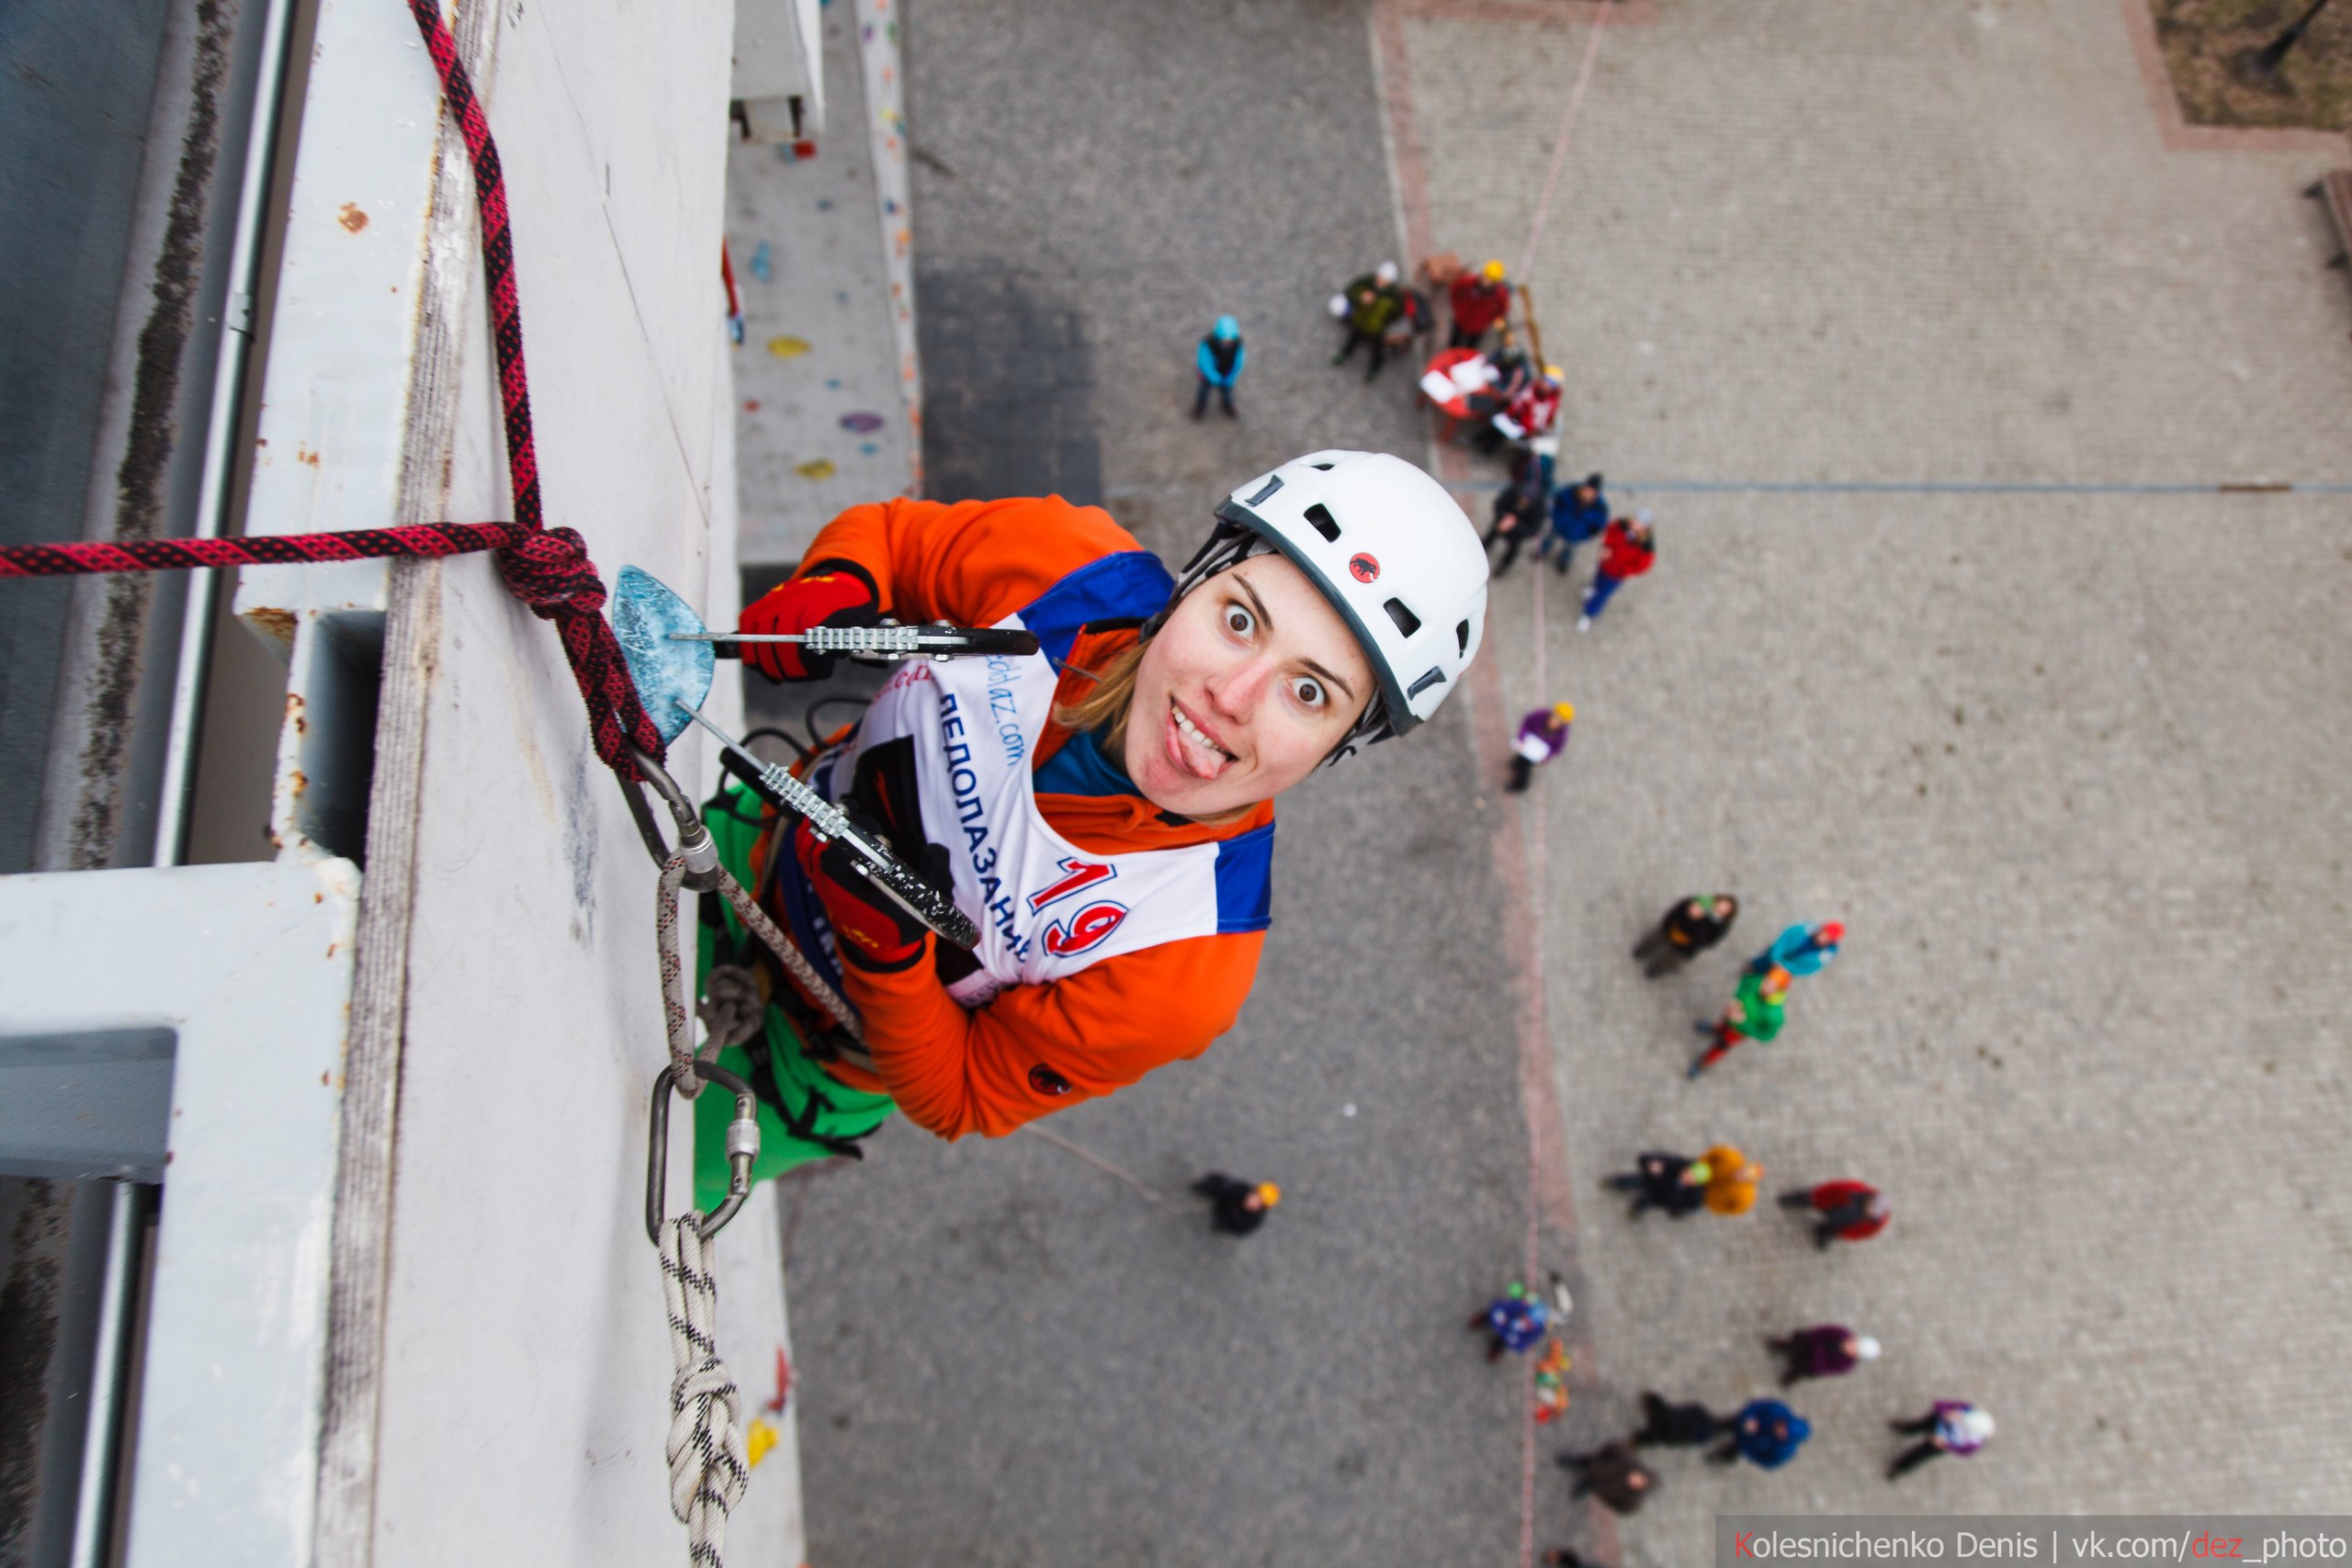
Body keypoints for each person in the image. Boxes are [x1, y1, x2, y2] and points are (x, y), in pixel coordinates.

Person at [699, 449, 1490, 1201]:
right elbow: (895, 539)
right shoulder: (1066, 571)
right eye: (1242, 620)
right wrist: (836, 580)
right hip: (746, 839)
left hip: (802, 1063)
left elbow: (962, 1094)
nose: (1231, 694)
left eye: (1309, 693)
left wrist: (888, 956)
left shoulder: (1186, 961)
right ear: (1193, 584)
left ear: (1340, 747)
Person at [1689, 964, 1789, 1078]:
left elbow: (1766, 1036)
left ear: (1779, 990)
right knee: (1722, 1026)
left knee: (1720, 1046)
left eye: (1772, 986)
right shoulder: (1757, 982)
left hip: (1738, 1033)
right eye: (1767, 980)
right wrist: (1736, 1001)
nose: (1765, 986)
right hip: (1729, 1018)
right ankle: (1714, 1030)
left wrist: (1743, 1022)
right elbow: (1745, 983)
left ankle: (1702, 1065)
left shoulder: (1775, 1015)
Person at [1577, 512, 1655, 632]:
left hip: (1616, 575)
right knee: (1598, 580)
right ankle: (1593, 590)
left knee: (1603, 594)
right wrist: (1606, 547)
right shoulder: (1621, 525)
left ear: (1646, 528)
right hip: (1605, 563)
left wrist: (1623, 569)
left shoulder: (1646, 546)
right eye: (1635, 520)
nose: (1635, 524)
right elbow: (1609, 532)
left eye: (1640, 524)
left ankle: (1588, 614)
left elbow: (1642, 566)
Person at [1633, 894, 1739, 978]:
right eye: (1722, 904)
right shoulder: (1702, 902)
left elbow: (1709, 941)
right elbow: (1679, 909)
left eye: (1726, 909)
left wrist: (1698, 926)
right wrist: (1668, 923)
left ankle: (1655, 970)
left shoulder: (1720, 926)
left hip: (1686, 946)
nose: (1720, 908)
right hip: (1674, 928)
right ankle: (1642, 950)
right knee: (1654, 939)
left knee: (1670, 959)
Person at [1332, 261, 1407, 379]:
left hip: (1376, 328)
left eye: (1385, 281)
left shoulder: (1394, 297)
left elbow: (1397, 313)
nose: (1381, 282)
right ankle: (1345, 354)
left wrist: (1384, 321)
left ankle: (1374, 369)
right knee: (1353, 339)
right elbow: (1350, 293)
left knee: (1377, 349)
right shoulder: (1366, 283)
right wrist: (1360, 299)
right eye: (1380, 278)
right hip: (1360, 321)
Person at [1484, 453, 1551, 577]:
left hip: (1517, 534)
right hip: (1502, 522)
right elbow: (1499, 503)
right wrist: (1503, 517)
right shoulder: (1514, 490)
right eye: (1522, 498)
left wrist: (1514, 525)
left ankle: (1503, 567)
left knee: (1512, 551)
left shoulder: (1539, 508)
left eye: (1527, 500)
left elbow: (1533, 529)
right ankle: (1482, 550)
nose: (1523, 501)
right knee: (1490, 537)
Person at [1888, 1402, 1994, 1479]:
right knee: (1919, 1425)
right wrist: (1946, 1412)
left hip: (1942, 1443)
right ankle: (1906, 1430)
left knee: (1918, 1455)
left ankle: (1899, 1468)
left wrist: (1945, 1444)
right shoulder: (1967, 1409)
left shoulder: (1974, 1443)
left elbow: (1963, 1451)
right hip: (1937, 1422)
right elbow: (1940, 1404)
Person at [1779, 1179, 1891, 1250]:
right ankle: (1792, 1200)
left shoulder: (1875, 1223)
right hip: (1829, 1203)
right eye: (1872, 1207)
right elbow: (1832, 1188)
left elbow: (1861, 1234)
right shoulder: (1854, 1190)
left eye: (1873, 1213)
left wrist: (1842, 1233)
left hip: (1841, 1225)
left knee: (1829, 1230)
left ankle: (1822, 1232)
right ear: (1870, 1199)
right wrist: (1818, 1196)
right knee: (1808, 1199)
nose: (1870, 1211)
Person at [1601, 1150, 1709, 1220]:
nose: (1685, 1176)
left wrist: (1675, 1209)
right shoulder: (1677, 1164)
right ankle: (1614, 1182)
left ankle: (1636, 1208)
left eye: (1690, 1178)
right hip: (1651, 1181)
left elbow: (1687, 1205)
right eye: (1687, 1173)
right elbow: (1648, 1158)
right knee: (1632, 1181)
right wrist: (1651, 1164)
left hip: (1658, 1197)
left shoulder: (1694, 1194)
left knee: (1645, 1202)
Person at [1555, 1441, 1654, 1516]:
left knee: (1591, 1483)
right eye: (1638, 1478)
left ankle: (1587, 1485)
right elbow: (1613, 1447)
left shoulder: (1631, 1500)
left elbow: (1622, 1508)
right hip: (1596, 1465)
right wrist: (1600, 1457)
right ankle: (1573, 1462)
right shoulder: (1627, 1460)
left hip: (1600, 1486)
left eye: (1638, 1485)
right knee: (1584, 1463)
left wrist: (1606, 1496)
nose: (1635, 1480)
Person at [1710, 1397, 1811, 1469]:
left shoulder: (1783, 1452)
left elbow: (1768, 1462)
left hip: (1745, 1444)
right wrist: (1749, 1418)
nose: (1779, 1429)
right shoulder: (1779, 1410)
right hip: (1741, 1423)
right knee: (1724, 1425)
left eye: (1783, 1433)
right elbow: (1756, 1405)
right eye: (1783, 1425)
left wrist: (1749, 1449)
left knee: (1731, 1451)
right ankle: (1713, 1428)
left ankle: (1720, 1457)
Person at [1539, 472, 1609, 577]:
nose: (1588, 492)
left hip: (1577, 533)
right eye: (1587, 488)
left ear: (1597, 492)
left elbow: (1599, 524)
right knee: (1549, 538)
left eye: (1592, 491)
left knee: (1570, 549)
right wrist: (1554, 515)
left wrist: (1590, 533)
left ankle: (1563, 561)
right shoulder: (1571, 491)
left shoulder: (1600, 507)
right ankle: (1542, 551)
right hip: (1560, 524)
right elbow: (1558, 500)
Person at [1769, 1325, 1882, 1387]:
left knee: (1801, 1370)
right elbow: (1820, 1332)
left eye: (1855, 1351)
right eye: (1855, 1345)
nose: (1851, 1348)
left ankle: (1791, 1376)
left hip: (1810, 1362)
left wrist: (1820, 1350)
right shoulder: (1842, 1334)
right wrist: (1819, 1345)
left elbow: (1823, 1368)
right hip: (1807, 1344)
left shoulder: (1846, 1364)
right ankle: (1781, 1347)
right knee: (1794, 1345)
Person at [1470, 1280, 1550, 1362]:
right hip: (1504, 1321)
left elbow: (1524, 1345)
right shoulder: (1520, 1306)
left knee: (1501, 1343)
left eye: (1530, 1323)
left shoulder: (1537, 1330)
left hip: (1509, 1334)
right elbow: (1498, 1306)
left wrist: (1513, 1339)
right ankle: (1480, 1321)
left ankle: (1495, 1350)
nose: (1527, 1322)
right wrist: (1499, 1317)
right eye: (1527, 1318)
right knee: (1488, 1315)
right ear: (1526, 1312)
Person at [1508, 702, 1573, 793]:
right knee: (1520, 758)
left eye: (1559, 722)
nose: (1554, 723)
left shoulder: (1561, 735)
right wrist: (1522, 737)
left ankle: (1520, 785)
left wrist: (1547, 757)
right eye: (1554, 718)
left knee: (1525, 769)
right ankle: (1516, 764)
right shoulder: (1540, 715)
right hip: (1527, 744)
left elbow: (1557, 749)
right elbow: (1527, 722)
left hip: (1536, 753)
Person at [1450, 257, 1512, 350]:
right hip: (1461, 319)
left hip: (1478, 327)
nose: (1486, 283)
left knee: (1471, 347)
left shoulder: (1500, 295)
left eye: (1491, 281)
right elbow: (1455, 290)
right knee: (1454, 342)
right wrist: (1458, 307)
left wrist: (1489, 319)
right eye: (1486, 278)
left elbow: (1502, 309)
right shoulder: (1468, 282)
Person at [1192, 1173, 1280, 1235]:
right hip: (1223, 1201)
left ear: (1261, 1207)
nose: (1253, 1200)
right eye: (1255, 1195)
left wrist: (1228, 1220)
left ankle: (1219, 1225)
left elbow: (1239, 1230)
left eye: (1259, 1202)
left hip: (1229, 1218)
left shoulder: (1253, 1220)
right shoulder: (1241, 1188)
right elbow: (1220, 1181)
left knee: (1223, 1223)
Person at [1747, 920, 1843, 977]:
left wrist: (1785, 968)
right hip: (1773, 955)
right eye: (1823, 934)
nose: (1821, 939)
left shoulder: (1822, 957)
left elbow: (1807, 969)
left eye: (1826, 938)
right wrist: (1776, 957)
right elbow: (1784, 939)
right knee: (1759, 963)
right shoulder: (1803, 930)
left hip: (1784, 971)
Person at [1193, 314, 1245, 419]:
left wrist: (1231, 376)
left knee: (1227, 393)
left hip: (1226, 374)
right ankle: (1199, 409)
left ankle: (1227, 406)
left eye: (1229, 340)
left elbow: (1239, 362)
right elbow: (1204, 362)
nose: (1227, 342)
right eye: (1224, 339)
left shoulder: (1237, 344)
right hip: (1208, 375)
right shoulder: (1208, 343)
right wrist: (1214, 377)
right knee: (1203, 392)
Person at [1632, 1392, 1726, 1449]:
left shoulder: (1702, 1414)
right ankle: (1636, 1440)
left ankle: (1637, 1439)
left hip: (1672, 1419)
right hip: (1672, 1431)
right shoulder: (1705, 1437)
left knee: (1659, 1413)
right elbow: (1688, 1439)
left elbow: (1690, 1408)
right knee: (1653, 1435)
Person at [1702, 1143, 1762, 1215]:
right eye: (1742, 1170)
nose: (1740, 1175)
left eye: (1745, 1178)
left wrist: (1711, 1203)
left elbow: (1734, 1209)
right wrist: (1701, 1164)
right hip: (1701, 1173)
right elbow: (1715, 1153)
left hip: (1704, 1196)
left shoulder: (1744, 1197)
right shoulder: (1731, 1157)